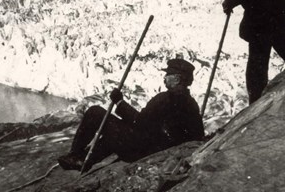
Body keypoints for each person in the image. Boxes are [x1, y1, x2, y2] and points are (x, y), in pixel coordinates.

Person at [57, 58, 205, 172]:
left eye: (168, 74)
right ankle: (84, 160)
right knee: (115, 132)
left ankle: (76, 155)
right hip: (159, 148)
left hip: (143, 151)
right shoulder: (191, 103)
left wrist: (119, 102)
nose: (164, 77)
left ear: (177, 79)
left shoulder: (165, 99)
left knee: (95, 112)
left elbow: (139, 122)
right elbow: (198, 135)